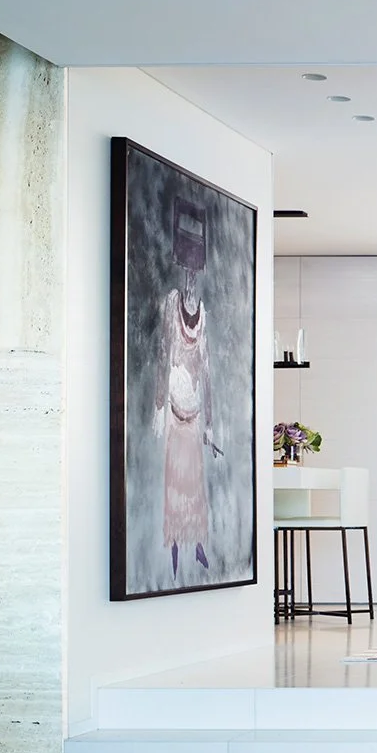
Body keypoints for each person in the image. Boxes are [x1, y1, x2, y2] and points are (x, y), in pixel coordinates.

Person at [154, 198, 219, 582]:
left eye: (196, 270)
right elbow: (165, 356)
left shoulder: (204, 312)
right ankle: (177, 549)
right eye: (187, 269)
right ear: (182, 268)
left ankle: (196, 545)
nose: (191, 277)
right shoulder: (170, 304)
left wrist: (210, 422)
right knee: (175, 486)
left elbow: (206, 368)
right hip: (175, 413)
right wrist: (160, 407)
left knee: (194, 487)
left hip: (194, 416)